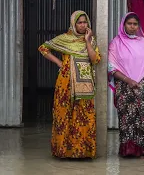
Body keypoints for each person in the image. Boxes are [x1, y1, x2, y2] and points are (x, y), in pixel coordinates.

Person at [38, 10, 100, 159]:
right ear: (73, 24)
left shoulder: (91, 40)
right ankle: (64, 152)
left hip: (85, 85)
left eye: (85, 22)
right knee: (64, 114)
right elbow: (43, 48)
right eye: (79, 22)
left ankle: (83, 152)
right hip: (66, 83)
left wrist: (87, 40)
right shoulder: (64, 38)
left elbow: (95, 59)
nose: (83, 25)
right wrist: (59, 62)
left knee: (84, 115)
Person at [108, 12, 144, 159]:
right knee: (128, 118)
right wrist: (128, 80)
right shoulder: (115, 43)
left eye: (135, 24)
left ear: (138, 26)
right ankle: (129, 150)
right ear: (123, 25)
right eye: (129, 24)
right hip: (126, 88)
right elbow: (111, 68)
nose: (132, 27)